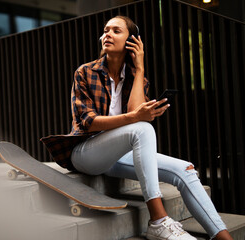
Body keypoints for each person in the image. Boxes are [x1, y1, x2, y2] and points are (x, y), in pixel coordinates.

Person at [41, 16, 232, 240]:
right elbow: (88, 121)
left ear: (131, 41)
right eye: (106, 30)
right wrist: (135, 117)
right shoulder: (85, 72)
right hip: (85, 152)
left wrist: (139, 68)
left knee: (186, 170)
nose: (108, 34)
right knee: (142, 129)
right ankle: (159, 221)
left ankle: (223, 237)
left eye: (116, 30)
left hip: (118, 155)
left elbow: (135, 115)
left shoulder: (136, 79)